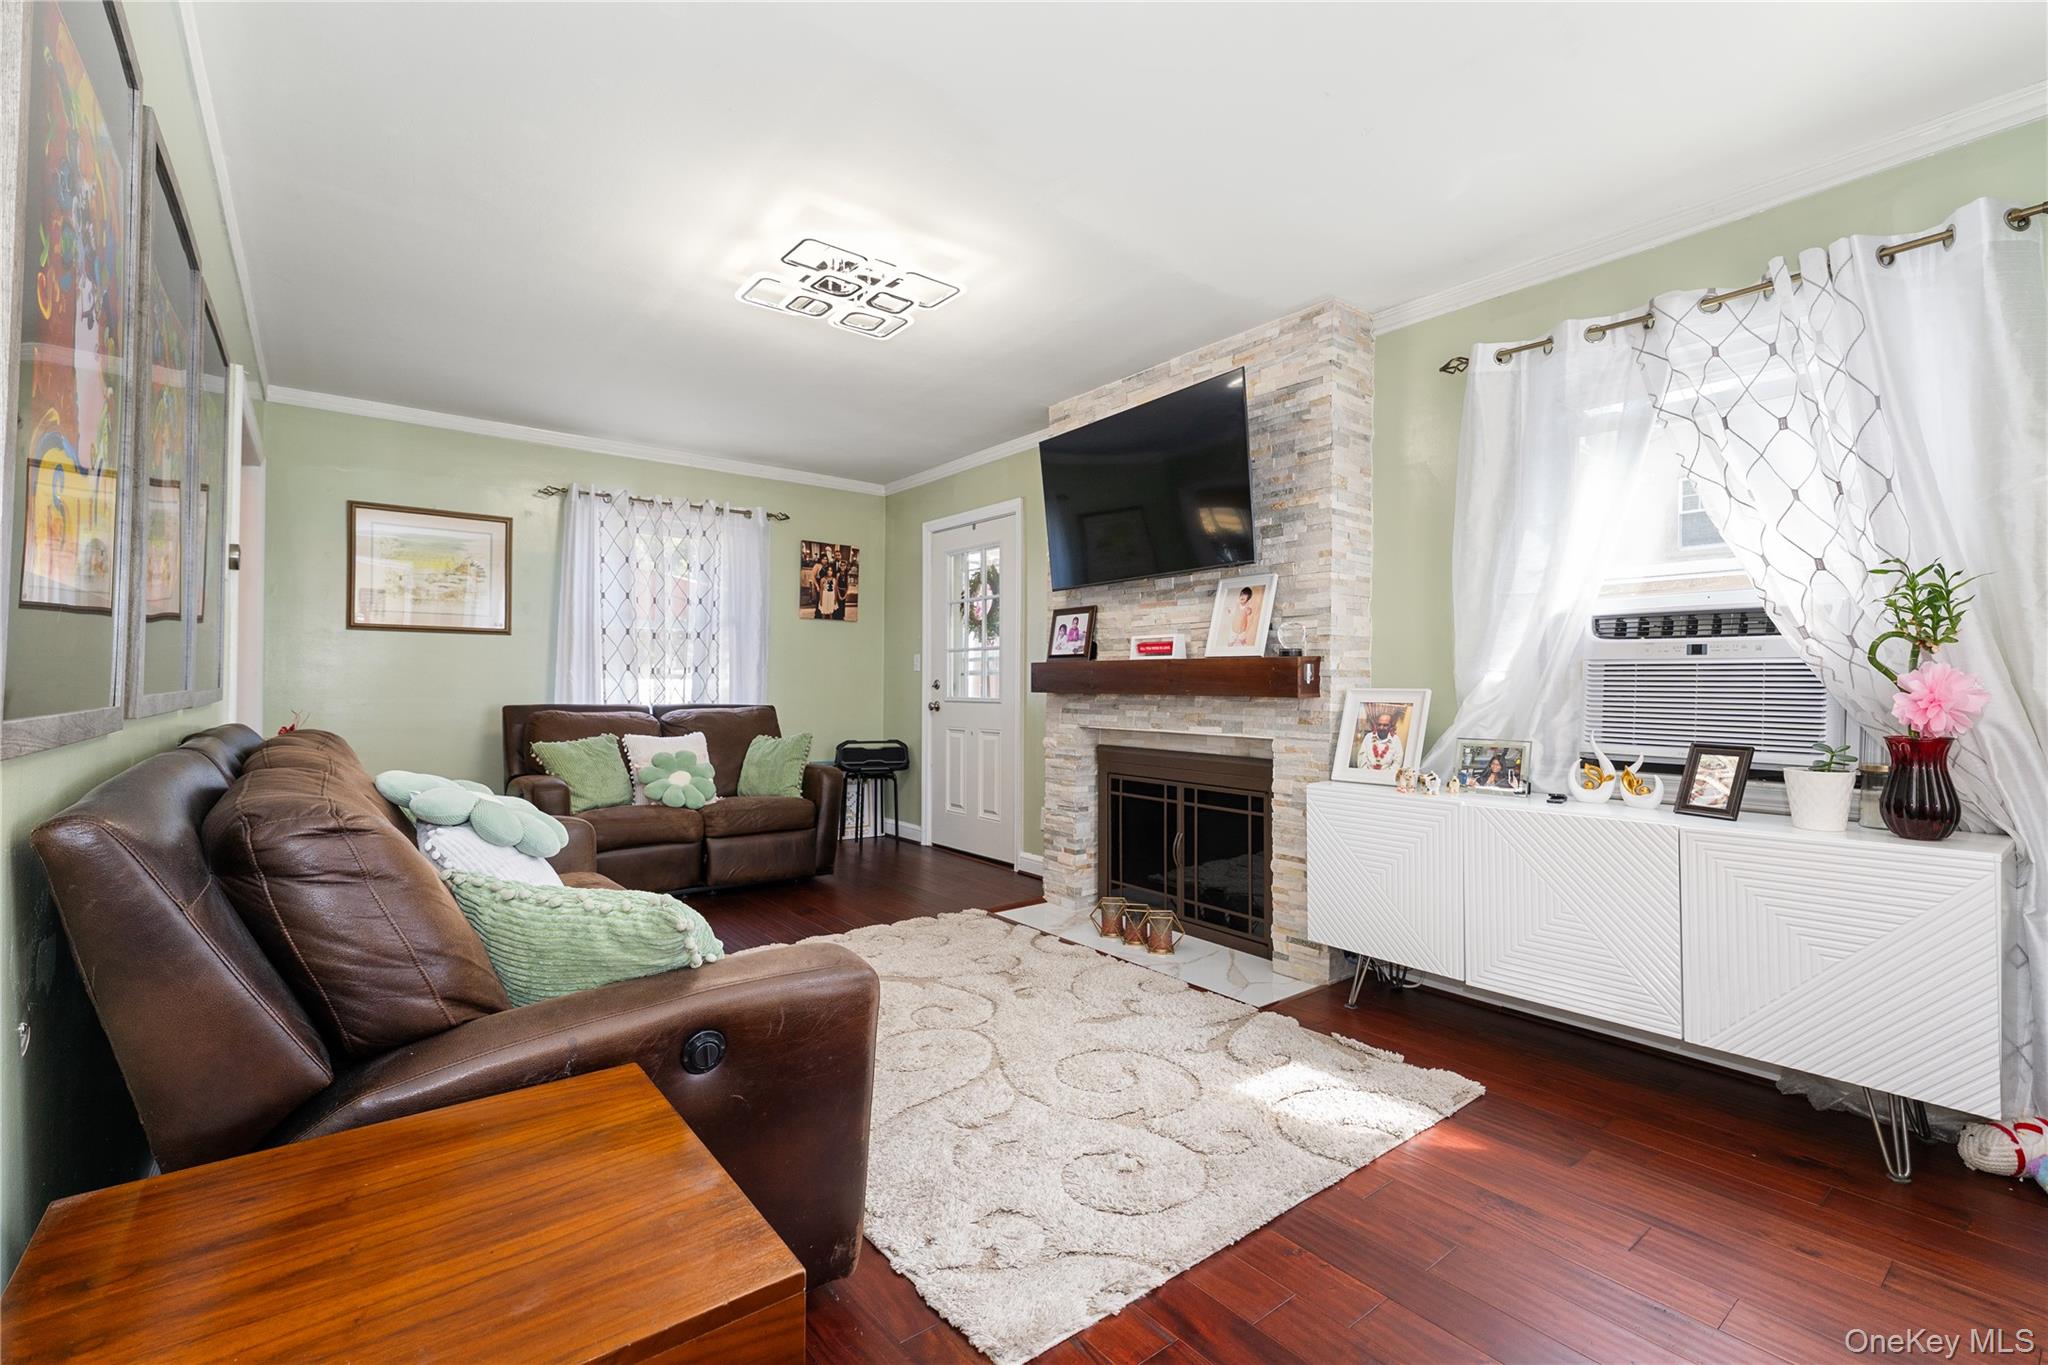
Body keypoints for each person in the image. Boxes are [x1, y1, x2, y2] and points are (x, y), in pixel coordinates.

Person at [1354, 707, 1405, 772]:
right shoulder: (1368, 737)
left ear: (1390, 726)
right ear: (1376, 724)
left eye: (1385, 725)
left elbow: (1397, 763)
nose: (1381, 727)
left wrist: (1384, 776)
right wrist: (1366, 774)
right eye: (1379, 724)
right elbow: (1361, 758)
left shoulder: (1395, 740)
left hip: (1386, 778)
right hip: (1367, 775)